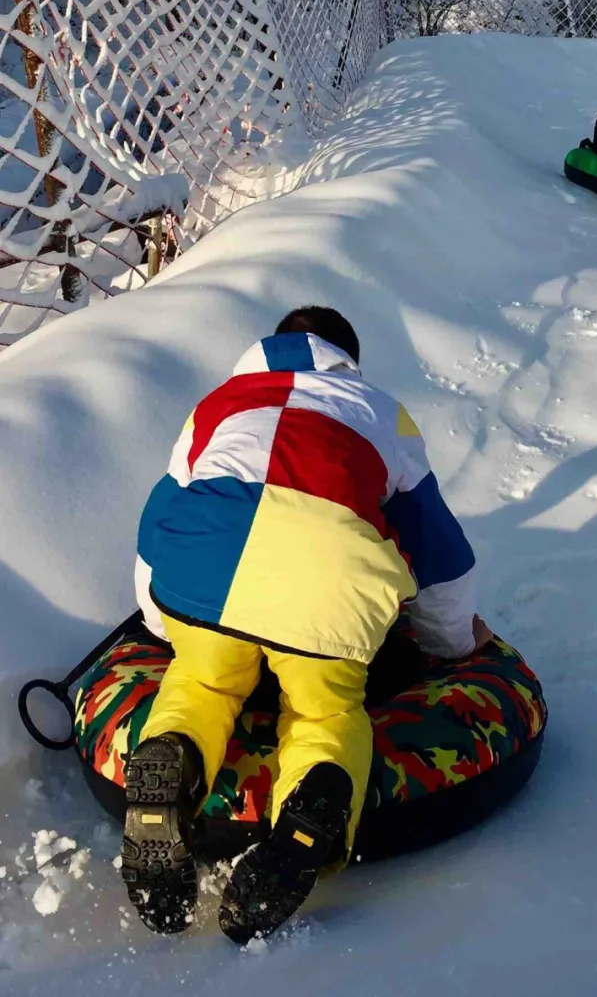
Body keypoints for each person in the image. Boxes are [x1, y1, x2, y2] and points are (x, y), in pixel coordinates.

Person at [123, 304, 487, 944]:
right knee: (323, 712)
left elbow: (163, 514)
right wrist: (454, 643)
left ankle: (166, 768)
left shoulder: (217, 404)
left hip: (205, 568)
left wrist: (160, 623)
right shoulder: (381, 411)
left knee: (203, 683)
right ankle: (307, 818)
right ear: (349, 360)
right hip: (328, 585)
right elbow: (439, 552)